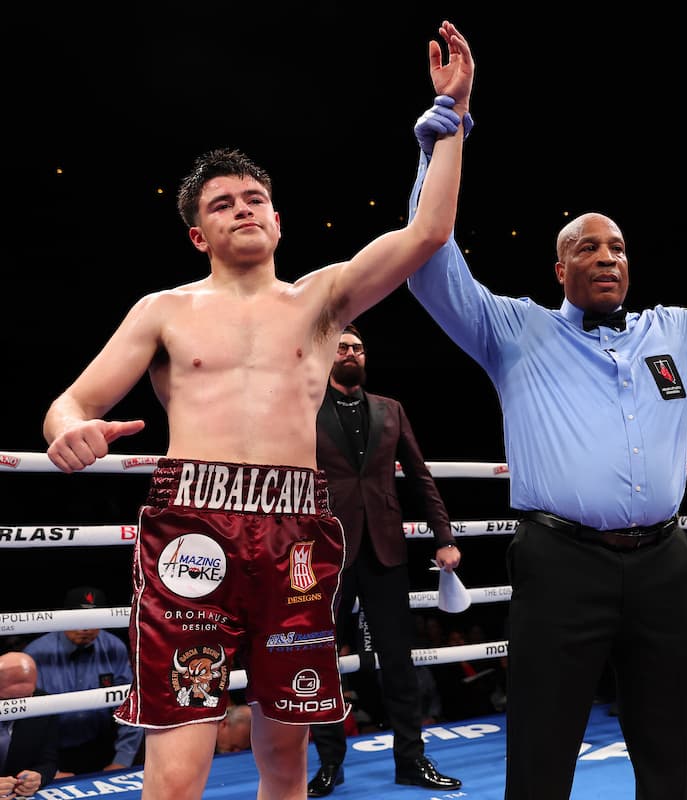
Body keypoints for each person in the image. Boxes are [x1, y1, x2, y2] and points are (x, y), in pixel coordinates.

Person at [40, 21, 472, 800]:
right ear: (196, 230)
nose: (243, 208)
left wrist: (453, 122)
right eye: (223, 203)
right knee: (176, 773)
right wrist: (69, 432)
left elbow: (429, 233)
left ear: (277, 220)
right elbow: (71, 401)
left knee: (284, 760)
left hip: (295, 534)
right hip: (191, 535)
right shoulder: (162, 310)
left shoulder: (320, 302)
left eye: (256, 198)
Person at [404, 81, 687, 800]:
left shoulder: (677, 334)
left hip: (662, 563)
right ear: (559, 269)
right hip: (558, 563)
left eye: (618, 247)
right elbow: (429, 263)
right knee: (542, 744)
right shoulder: (514, 331)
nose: (606, 257)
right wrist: (444, 133)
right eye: (587, 247)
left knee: (668, 746)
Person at [306, 323, 462, 796]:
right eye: (342, 347)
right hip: (324, 553)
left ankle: (411, 761)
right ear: (327, 357)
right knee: (319, 658)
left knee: (399, 660)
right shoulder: (304, 408)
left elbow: (419, 476)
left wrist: (443, 536)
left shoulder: (390, 410)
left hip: (385, 549)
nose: (351, 353)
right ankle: (330, 763)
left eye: (357, 347)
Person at [23, 586, 143, 776]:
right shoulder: (36, 654)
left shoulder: (114, 647)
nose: (85, 628)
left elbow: (130, 704)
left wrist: (122, 759)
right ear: (65, 617)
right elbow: (26, 722)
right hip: (52, 754)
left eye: (94, 620)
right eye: (79, 619)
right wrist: (46, 770)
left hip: (102, 748)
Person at [0, 652, 58, 798]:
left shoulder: (43, 705)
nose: (17, 705)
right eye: (8, 699)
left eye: (25, 697)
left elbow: (48, 761)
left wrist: (38, 777)